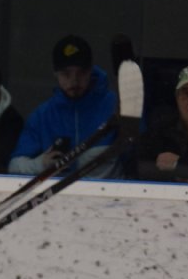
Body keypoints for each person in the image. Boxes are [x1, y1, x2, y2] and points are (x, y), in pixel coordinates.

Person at [7, 35, 118, 175]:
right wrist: (41, 164)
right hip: (57, 189)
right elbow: (14, 167)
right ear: (55, 73)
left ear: (90, 70)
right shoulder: (42, 117)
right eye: (66, 74)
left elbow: (137, 158)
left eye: (81, 73)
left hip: (109, 190)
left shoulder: (117, 107)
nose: (74, 81)